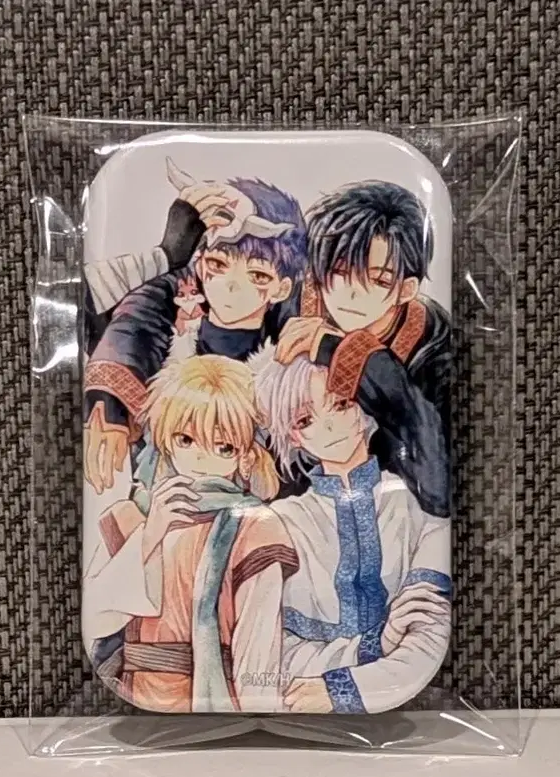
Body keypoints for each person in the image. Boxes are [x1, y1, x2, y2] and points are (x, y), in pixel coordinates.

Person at [83, 354, 298, 714]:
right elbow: (99, 616)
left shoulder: (256, 527)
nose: (200, 457)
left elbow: (258, 640)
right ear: (164, 439)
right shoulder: (129, 516)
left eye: (223, 447)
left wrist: (256, 712)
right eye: (185, 439)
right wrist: (151, 533)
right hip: (135, 697)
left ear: (245, 456)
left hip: (221, 697)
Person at [83, 159, 308, 495]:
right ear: (200, 265)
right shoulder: (161, 320)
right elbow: (90, 306)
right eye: (219, 264)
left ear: (282, 288)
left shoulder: (290, 355)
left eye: (258, 275)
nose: (232, 286)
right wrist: (164, 256)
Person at [253, 348, 452, 714]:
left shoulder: (417, 507)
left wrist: (339, 689)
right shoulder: (280, 522)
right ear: (293, 436)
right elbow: (270, 656)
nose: (329, 426)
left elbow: (429, 639)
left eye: (341, 404)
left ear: (364, 407)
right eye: (305, 419)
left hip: (412, 712)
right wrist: (377, 644)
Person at [274, 181, 452, 518]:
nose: (352, 293)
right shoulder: (296, 307)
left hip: (394, 518)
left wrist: (350, 355)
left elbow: (438, 491)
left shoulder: (433, 348)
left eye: (379, 280)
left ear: (406, 289)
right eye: (340, 273)